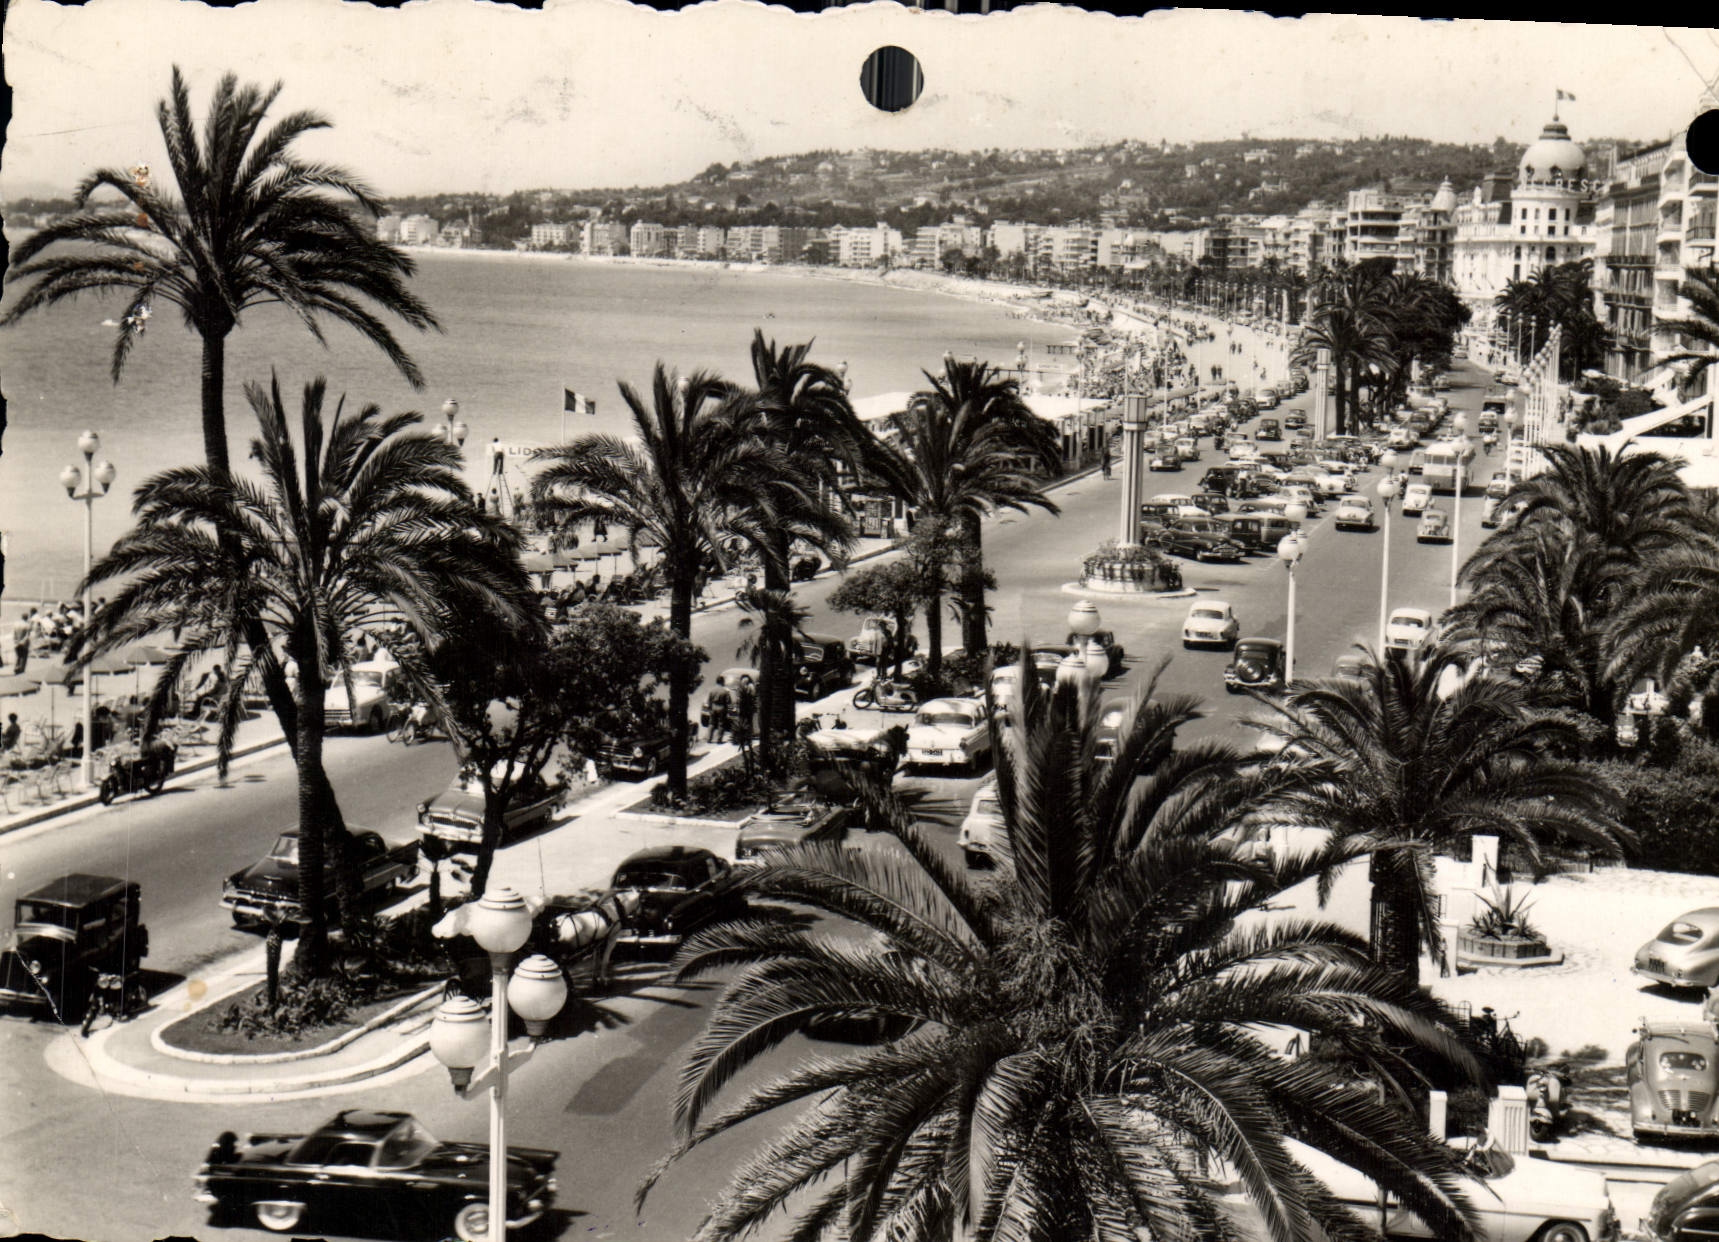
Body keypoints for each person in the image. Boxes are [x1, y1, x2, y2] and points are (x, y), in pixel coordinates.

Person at [705, 676, 733, 743]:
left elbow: (709, 701)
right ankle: (719, 739)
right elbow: (728, 702)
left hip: (713, 707)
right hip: (722, 708)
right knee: (721, 724)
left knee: (711, 723)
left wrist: (709, 709)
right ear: (722, 682)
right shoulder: (725, 691)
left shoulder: (712, 690)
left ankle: (709, 738)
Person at [12, 609, 32, 674]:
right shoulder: (28, 625)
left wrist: (15, 641)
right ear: (27, 618)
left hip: (16, 643)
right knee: (24, 657)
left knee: (18, 656)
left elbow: (14, 634)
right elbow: (27, 636)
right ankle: (21, 670)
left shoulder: (16, 624)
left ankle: (16, 668)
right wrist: (23, 642)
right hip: (24, 644)